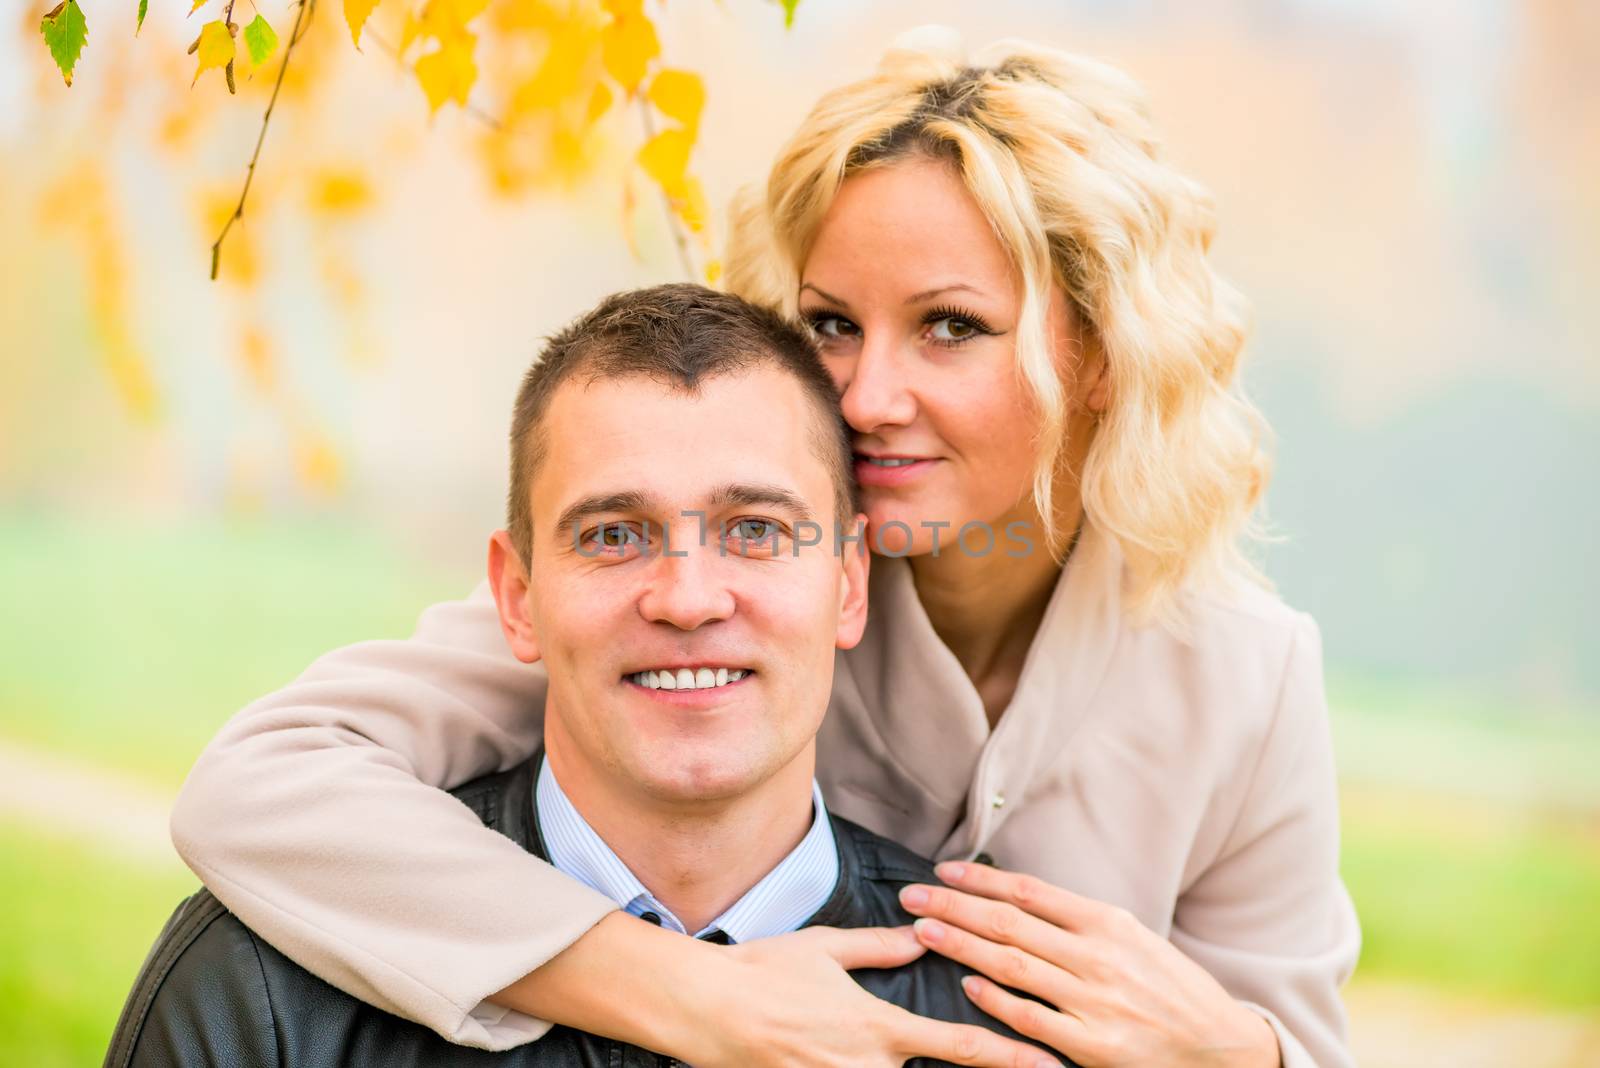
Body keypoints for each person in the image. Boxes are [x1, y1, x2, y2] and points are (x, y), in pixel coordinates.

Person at [168, 29, 1358, 1068]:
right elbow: (258, 792)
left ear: (1101, 353)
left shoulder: (1245, 681)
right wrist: (682, 994)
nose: (867, 394)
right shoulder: (719, 591)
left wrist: (1233, 1052)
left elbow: (1298, 1038)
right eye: (831, 324)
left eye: (950, 328)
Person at [106, 286, 1059, 1068]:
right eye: (614, 535)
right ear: (516, 596)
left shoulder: (994, 1019)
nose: (688, 598)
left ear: (849, 584)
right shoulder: (266, 991)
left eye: (757, 532)